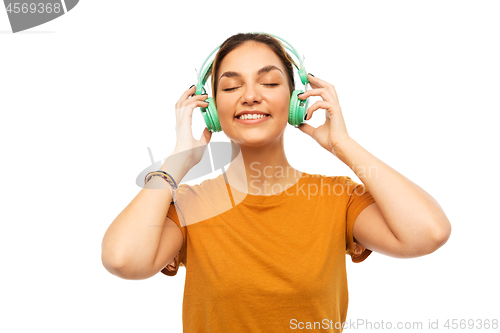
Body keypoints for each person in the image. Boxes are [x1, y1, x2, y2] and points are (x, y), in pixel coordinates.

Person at [101, 32, 452, 332]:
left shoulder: (336, 198)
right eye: (231, 86)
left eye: (269, 83)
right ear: (211, 108)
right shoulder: (192, 206)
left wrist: (343, 145)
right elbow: (122, 260)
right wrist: (178, 163)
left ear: (296, 99)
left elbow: (428, 233)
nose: (250, 95)